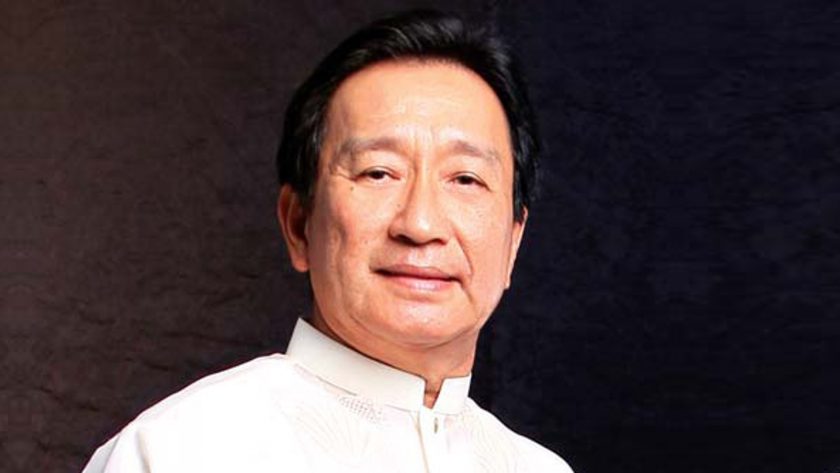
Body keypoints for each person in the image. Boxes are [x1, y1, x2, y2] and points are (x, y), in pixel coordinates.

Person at [83, 10, 573, 473]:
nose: (421, 223)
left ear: (513, 242)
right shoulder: (178, 451)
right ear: (299, 224)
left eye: (465, 179)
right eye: (378, 172)